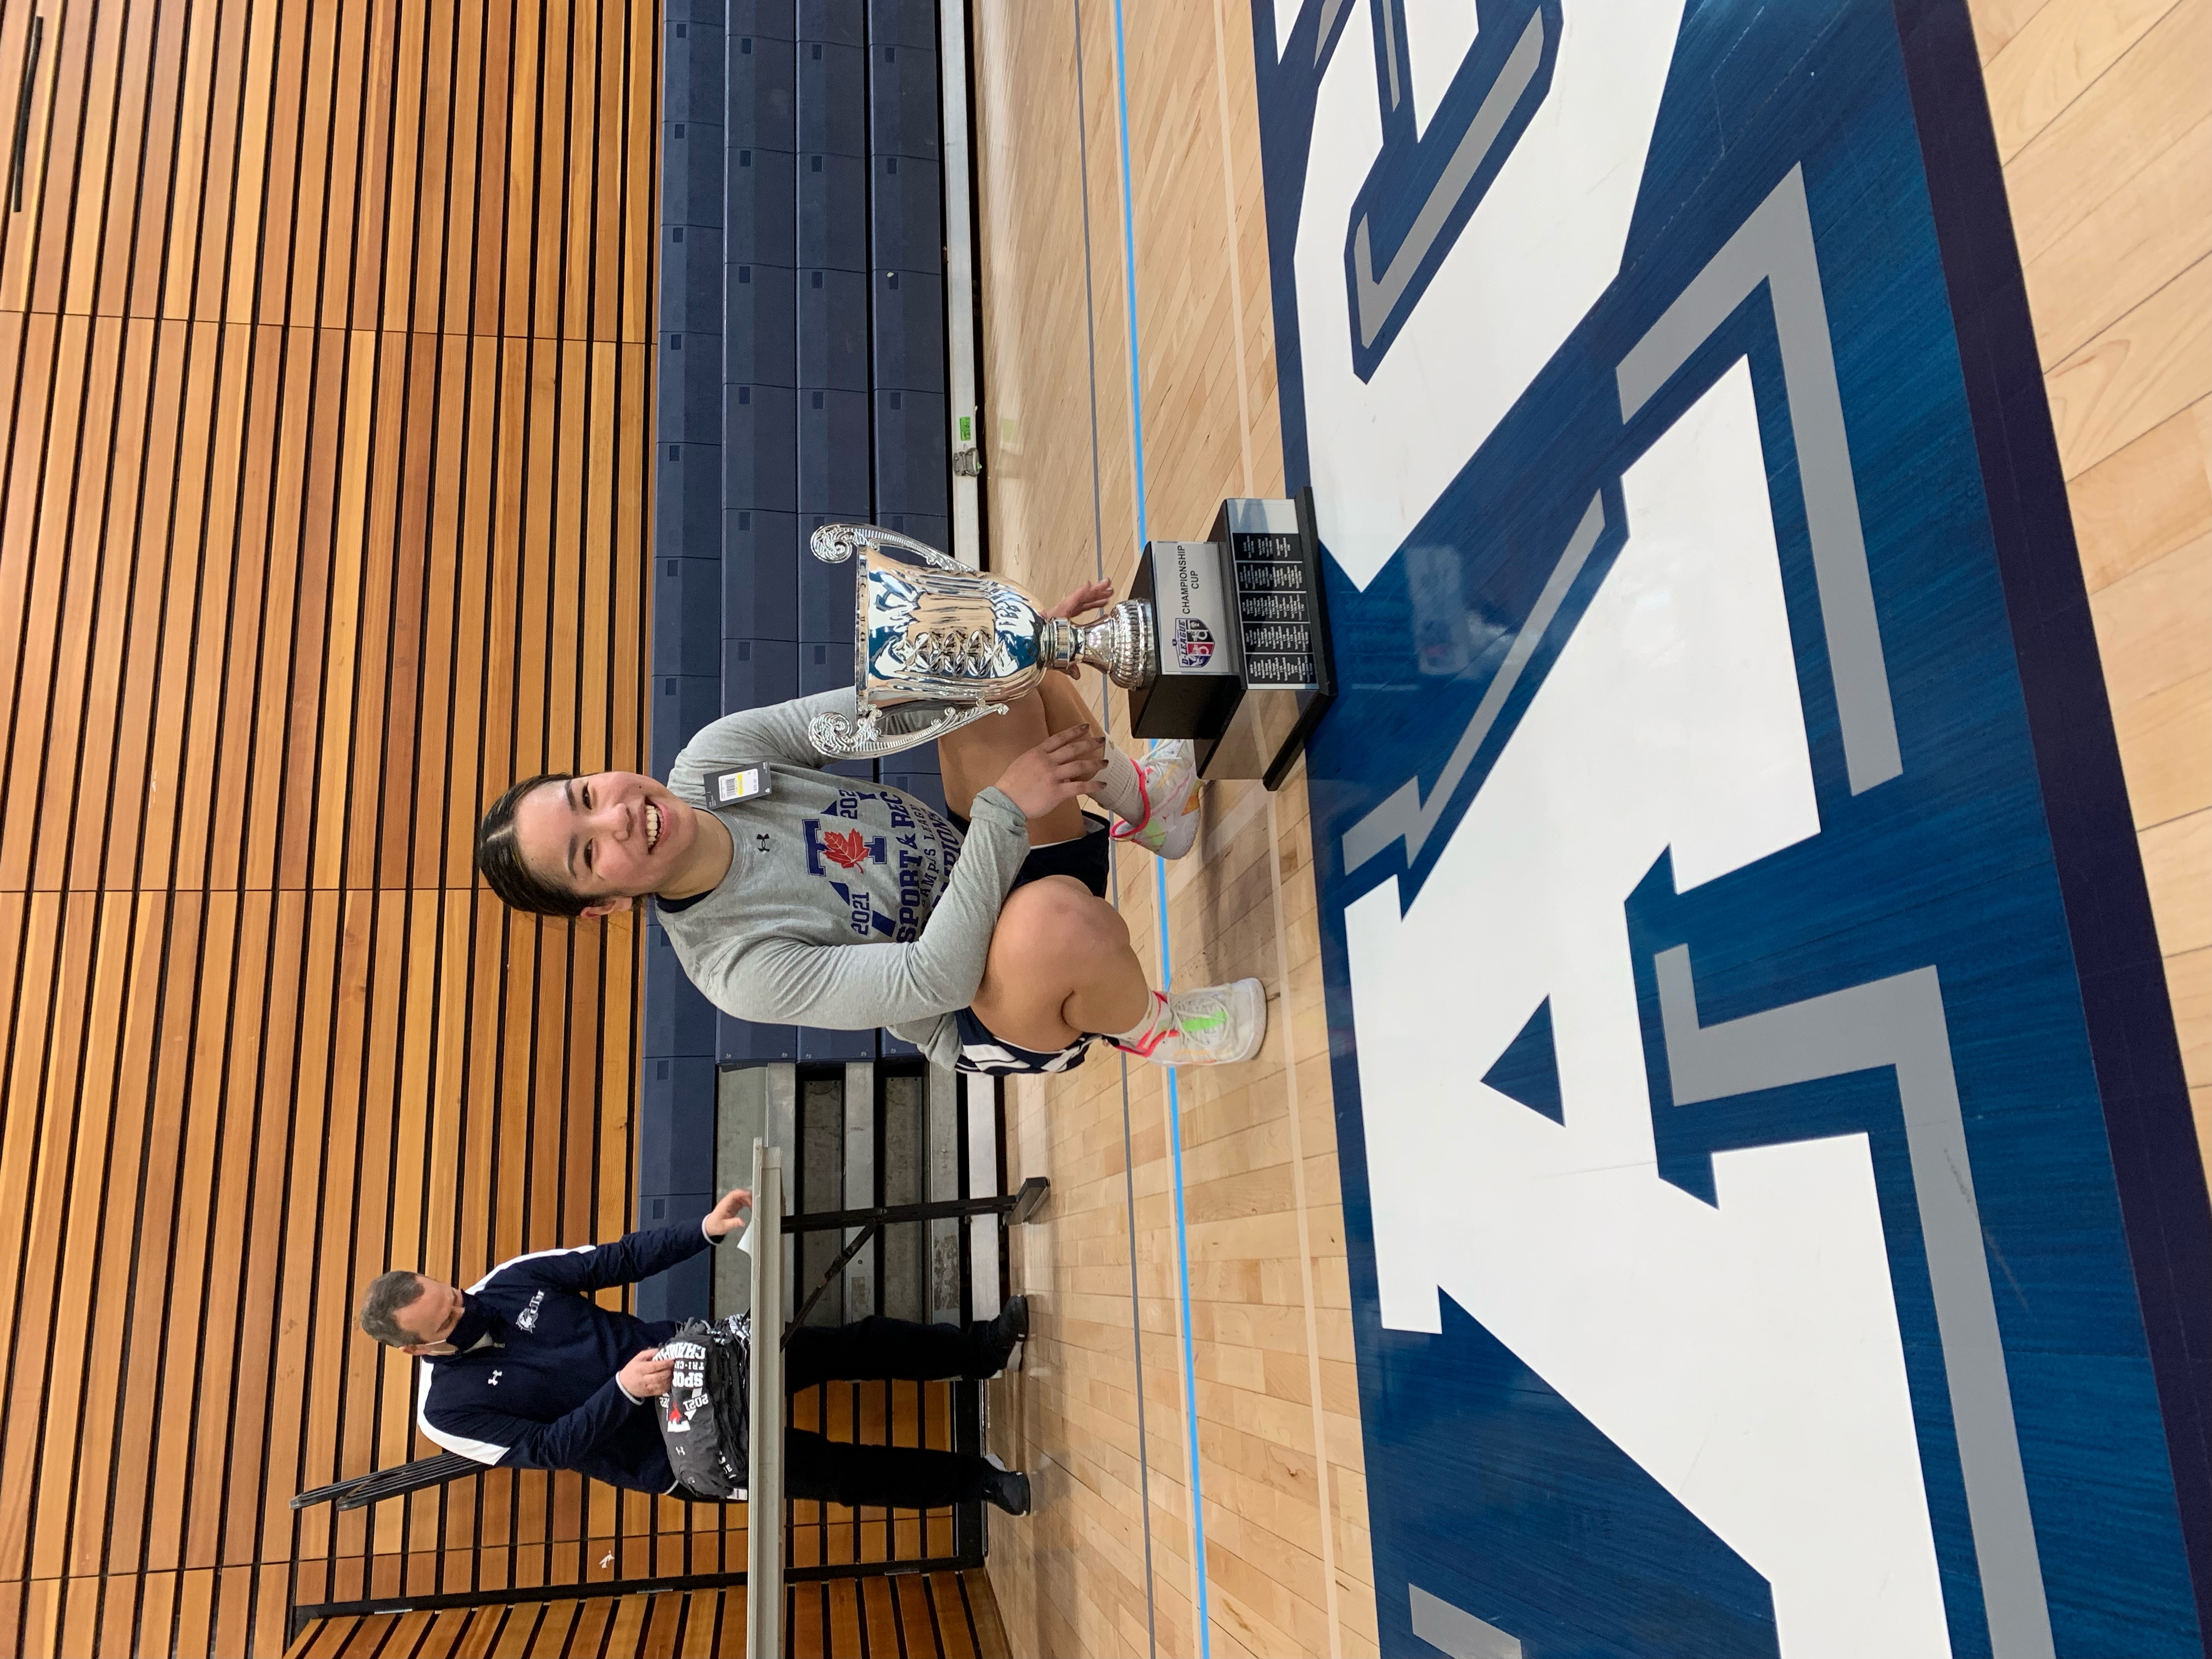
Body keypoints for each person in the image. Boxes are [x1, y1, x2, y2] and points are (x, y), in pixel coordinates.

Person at [471, 579, 1268, 1076]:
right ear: (603, 906)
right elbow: (934, 982)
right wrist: (1001, 810)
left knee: (974, 666)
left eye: (585, 794)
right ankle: (1157, 1029)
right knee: (1050, 927)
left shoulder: (714, 765)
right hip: (989, 997)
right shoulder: (736, 965)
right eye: (588, 852)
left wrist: (1021, 652)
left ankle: (1150, 810)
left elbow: (874, 710)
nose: (618, 815)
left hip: (986, 857)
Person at [357, 1188, 1035, 1514]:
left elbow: (615, 1258)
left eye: (449, 1291)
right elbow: (549, 1451)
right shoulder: (446, 1414)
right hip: (676, 1454)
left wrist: (703, 1231)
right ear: (418, 1350)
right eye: (447, 1316)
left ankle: (980, 1349)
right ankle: (975, 1482)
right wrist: (622, 1391)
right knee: (836, 1473)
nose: (463, 1305)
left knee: (847, 1346)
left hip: (707, 1364)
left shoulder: (508, 1281)